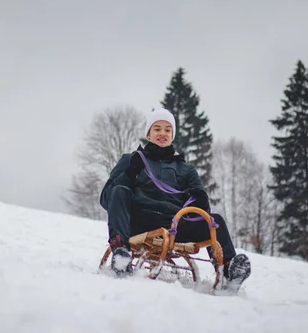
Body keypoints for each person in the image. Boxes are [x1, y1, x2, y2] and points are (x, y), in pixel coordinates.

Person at [100, 107, 251, 292]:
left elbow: (203, 208)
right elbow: (107, 197)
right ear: (148, 133)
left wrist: (200, 199)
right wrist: (130, 172)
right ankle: (121, 254)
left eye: (167, 129)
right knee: (119, 189)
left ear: (172, 135)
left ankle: (230, 272)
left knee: (215, 220)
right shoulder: (132, 160)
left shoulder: (186, 169)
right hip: (139, 220)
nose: (162, 133)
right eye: (157, 129)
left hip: (174, 226)